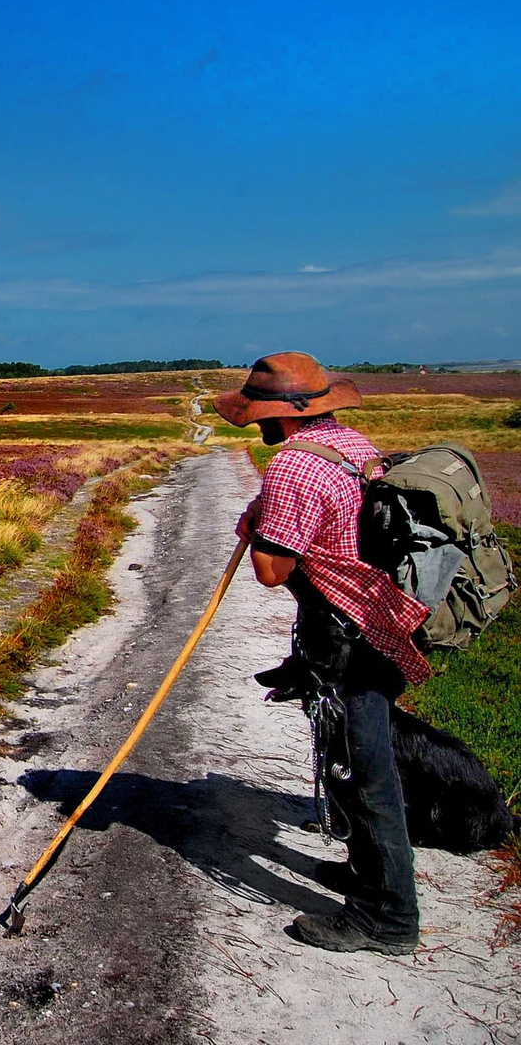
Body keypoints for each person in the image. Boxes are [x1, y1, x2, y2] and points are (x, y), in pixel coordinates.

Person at [216, 352, 428, 955]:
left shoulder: (292, 468)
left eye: (257, 414)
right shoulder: (350, 442)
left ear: (274, 417)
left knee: (367, 775)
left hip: (349, 634)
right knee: (358, 759)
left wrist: (259, 522)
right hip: (381, 620)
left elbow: (271, 570)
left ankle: (386, 918)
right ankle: (369, 876)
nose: (255, 425)